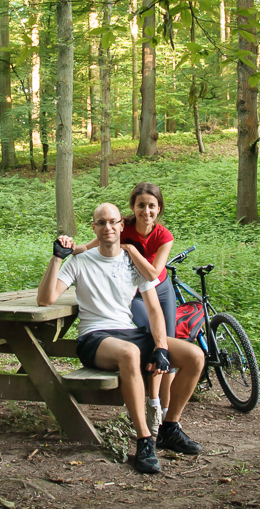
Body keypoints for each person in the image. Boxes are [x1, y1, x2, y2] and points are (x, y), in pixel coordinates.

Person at [38, 203, 205, 474]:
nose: (108, 227)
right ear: (93, 227)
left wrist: (161, 347)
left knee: (194, 356)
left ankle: (169, 428)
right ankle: (145, 440)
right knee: (130, 353)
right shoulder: (79, 261)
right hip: (95, 337)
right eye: (101, 222)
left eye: (113, 221)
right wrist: (57, 258)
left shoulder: (133, 262)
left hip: (130, 333)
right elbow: (45, 299)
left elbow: (154, 310)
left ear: (121, 225)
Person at [70, 183, 176, 437]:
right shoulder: (121, 226)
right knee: (146, 336)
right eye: (141, 205)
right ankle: (151, 403)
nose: (146, 211)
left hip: (160, 287)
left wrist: (131, 250)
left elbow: (153, 273)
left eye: (152, 206)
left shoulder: (164, 236)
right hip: (137, 290)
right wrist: (68, 250)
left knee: (166, 344)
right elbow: (90, 246)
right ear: (133, 207)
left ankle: (164, 407)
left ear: (159, 208)